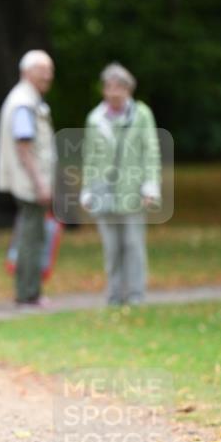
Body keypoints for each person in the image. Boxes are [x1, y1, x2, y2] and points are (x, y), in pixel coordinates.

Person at [80, 62, 161, 305]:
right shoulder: (95, 119)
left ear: (128, 90)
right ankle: (114, 295)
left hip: (132, 191)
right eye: (109, 87)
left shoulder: (142, 115)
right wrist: (86, 189)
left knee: (133, 245)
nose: (113, 92)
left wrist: (150, 185)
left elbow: (151, 151)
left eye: (118, 87)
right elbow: (90, 156)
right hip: (104, 191)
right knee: (112, 248)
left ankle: (136, 296)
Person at [0, 50, 56, 307]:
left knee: (33, 235)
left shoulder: (26, 99)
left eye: (50, 72)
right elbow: (24, 146)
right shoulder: (24, 103)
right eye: (43, 71)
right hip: (29, 183)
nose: (48, 77)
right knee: (32, 238)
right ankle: (28, 294)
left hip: (28, 181)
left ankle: (29, 292)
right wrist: (40, 182)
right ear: (28, 72)